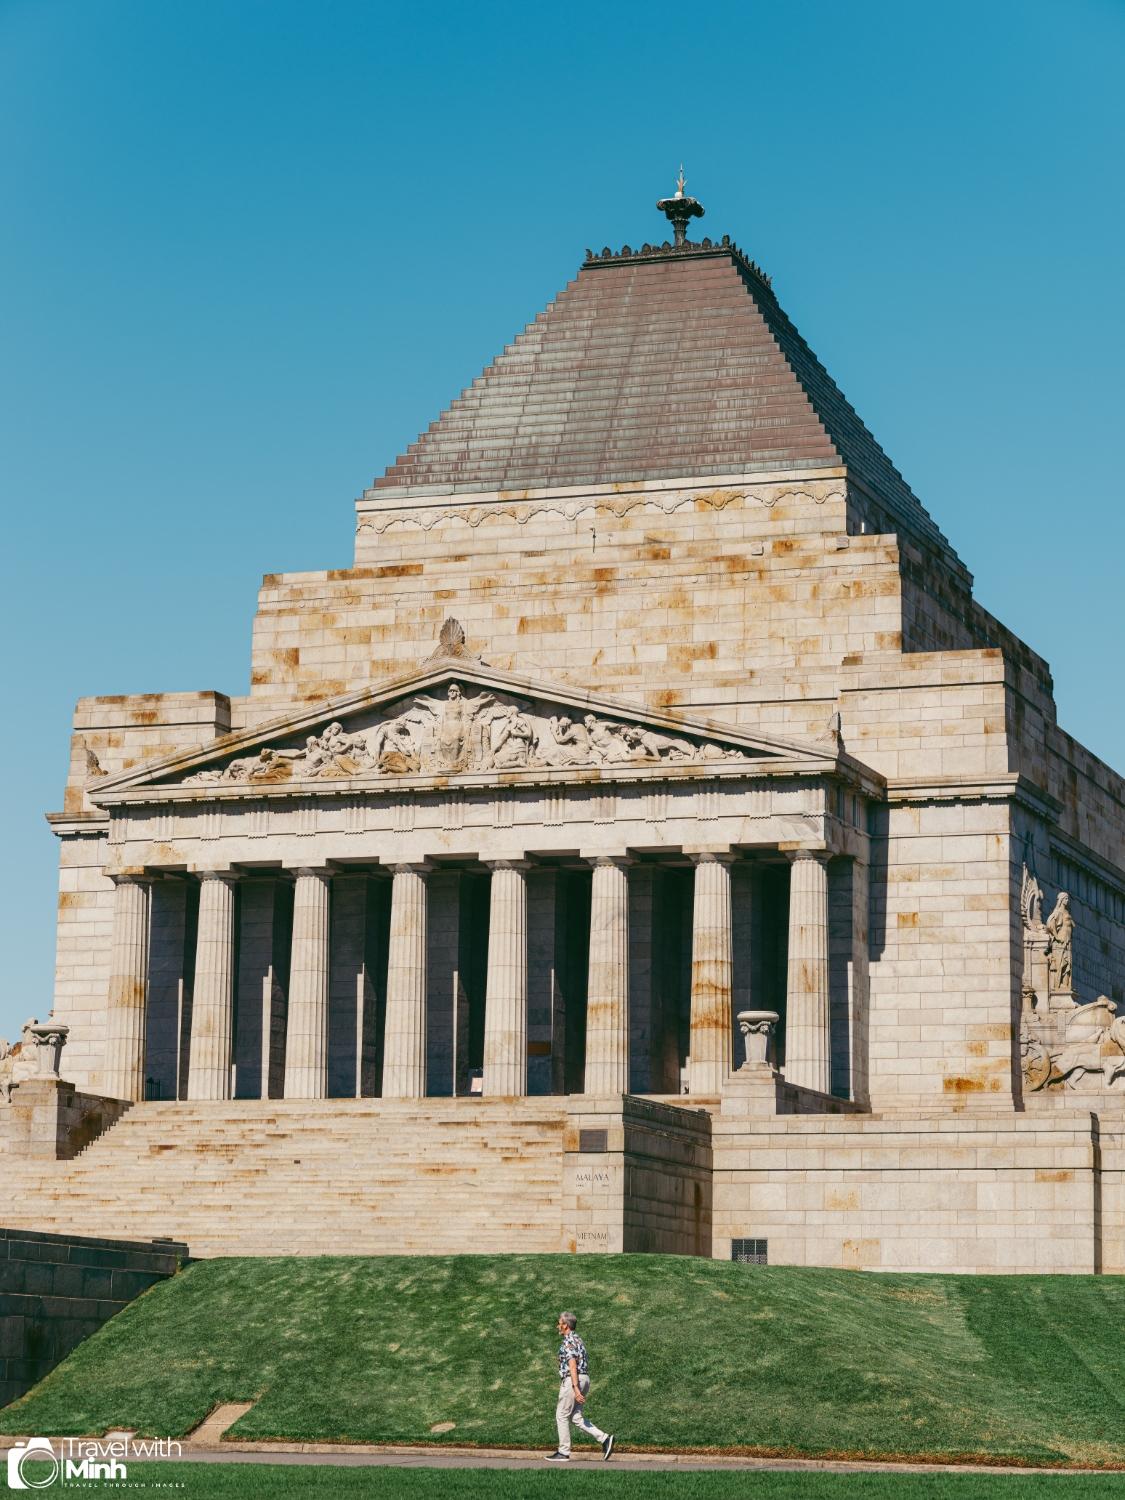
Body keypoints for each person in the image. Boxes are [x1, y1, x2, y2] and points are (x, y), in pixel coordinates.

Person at [544, 1311, 614, 1463]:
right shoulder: (578, 1340)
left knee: (561, 1415)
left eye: (559, 1323)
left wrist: (575, 1387)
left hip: (573, 1380)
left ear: (566, 1325)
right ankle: (604, 1438)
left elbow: (573, 1366)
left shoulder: (568, 1342)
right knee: (575, 1417)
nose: (557, 1326)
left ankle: (563, 1452)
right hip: (585, 1378)